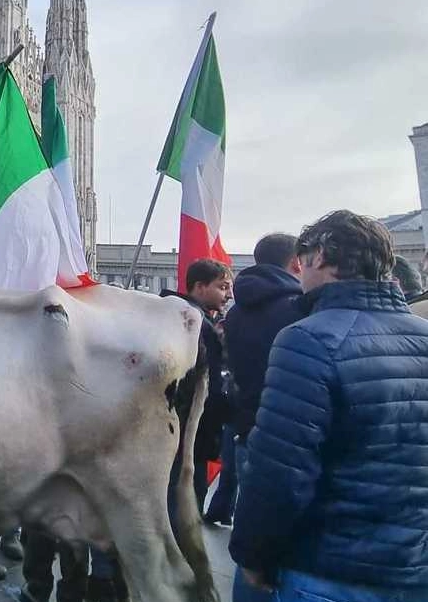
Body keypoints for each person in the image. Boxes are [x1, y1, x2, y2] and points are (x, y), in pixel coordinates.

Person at [230, 210, 428, 600]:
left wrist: (252, 556)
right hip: (414, 572)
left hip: (330, 569)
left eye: (302, 259)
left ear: (319, 256)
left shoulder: (308, 339)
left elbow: (280, 472)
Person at [210, 234, 304, 541]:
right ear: (296, 263)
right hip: (289, 438)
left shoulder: (236, 313)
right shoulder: (300, 309)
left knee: (252, 533)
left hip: (247, 429)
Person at [160, 258, 233, 514]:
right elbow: (208, 388)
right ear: (200, 287)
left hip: (173, 429)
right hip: (189, 430)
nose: (229, 295)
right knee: (182, 503)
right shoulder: (196, 325)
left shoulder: (173, 315)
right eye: (222, 287)